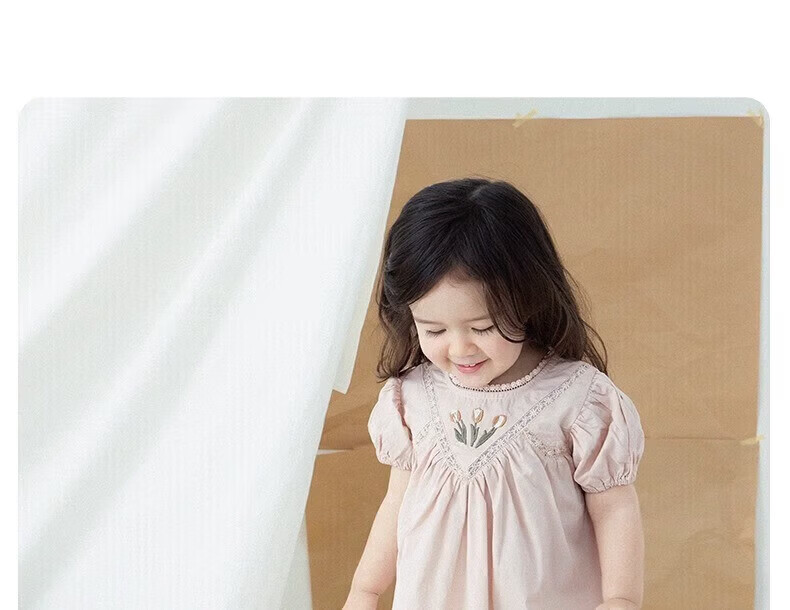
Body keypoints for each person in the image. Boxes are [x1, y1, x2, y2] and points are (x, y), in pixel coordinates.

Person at [343, 177, 646, 609]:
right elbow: (397, 502)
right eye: (434, 330)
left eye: (482, 327)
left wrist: (621, 598)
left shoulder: (577, 399)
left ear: (527, 299)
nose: (459, 349)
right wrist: (365, 590)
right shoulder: (413, 398)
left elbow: (614, 506)